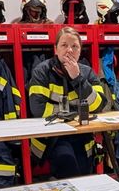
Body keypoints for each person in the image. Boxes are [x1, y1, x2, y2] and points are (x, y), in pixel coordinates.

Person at [28, 26, 107, 177]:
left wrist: (77, 78)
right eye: (64, 45)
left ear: (80, 51)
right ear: (55, 49)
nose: (69, 50)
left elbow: (98, 105)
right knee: (68, 166)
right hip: (52, 138)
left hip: (82, 135)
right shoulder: (42, 72)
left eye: (74, 46)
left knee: (85, 175)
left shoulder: (87, 72)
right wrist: (76, 112)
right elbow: (38, 110)